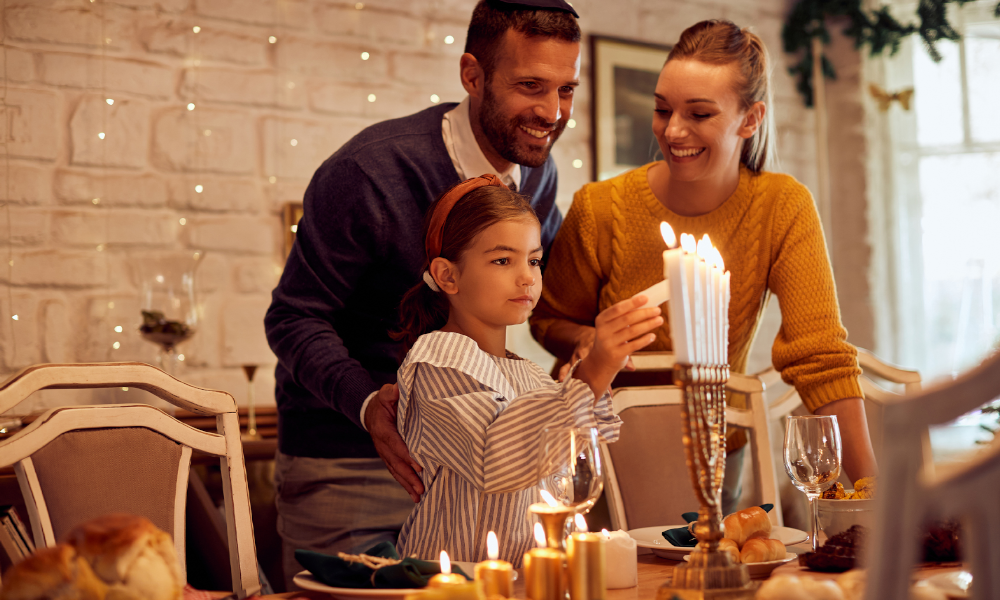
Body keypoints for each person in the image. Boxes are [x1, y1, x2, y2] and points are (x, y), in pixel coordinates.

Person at [264, 0, 581, 588]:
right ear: (472, 75)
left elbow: (542, 292)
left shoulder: (538, 173)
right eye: (531, 86)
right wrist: (367, 406)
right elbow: (293, 317)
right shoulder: (369, 172)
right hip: (351, 464)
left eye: (566, 89)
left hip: (472, 474)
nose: (551, 112)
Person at [529, 20, 878, 515]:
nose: (673, 131)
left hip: (719, 455)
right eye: (662, 109)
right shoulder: (601, 208)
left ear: (750, 118)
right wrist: (587, 340)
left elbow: (820, 357)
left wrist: (877, 494)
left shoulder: (783, 207)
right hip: (602, 456)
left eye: (699, 113)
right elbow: (547, 319)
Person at [392, 174, 660, 565]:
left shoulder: (532, 375)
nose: (527, 277)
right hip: (456, 582)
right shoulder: (435, 360)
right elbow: (496, 458)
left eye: (534, 260)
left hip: (532, 577)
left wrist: (592, 379)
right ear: (448, 275)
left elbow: (572, 453)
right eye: (503, 260)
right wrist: (593, 372)